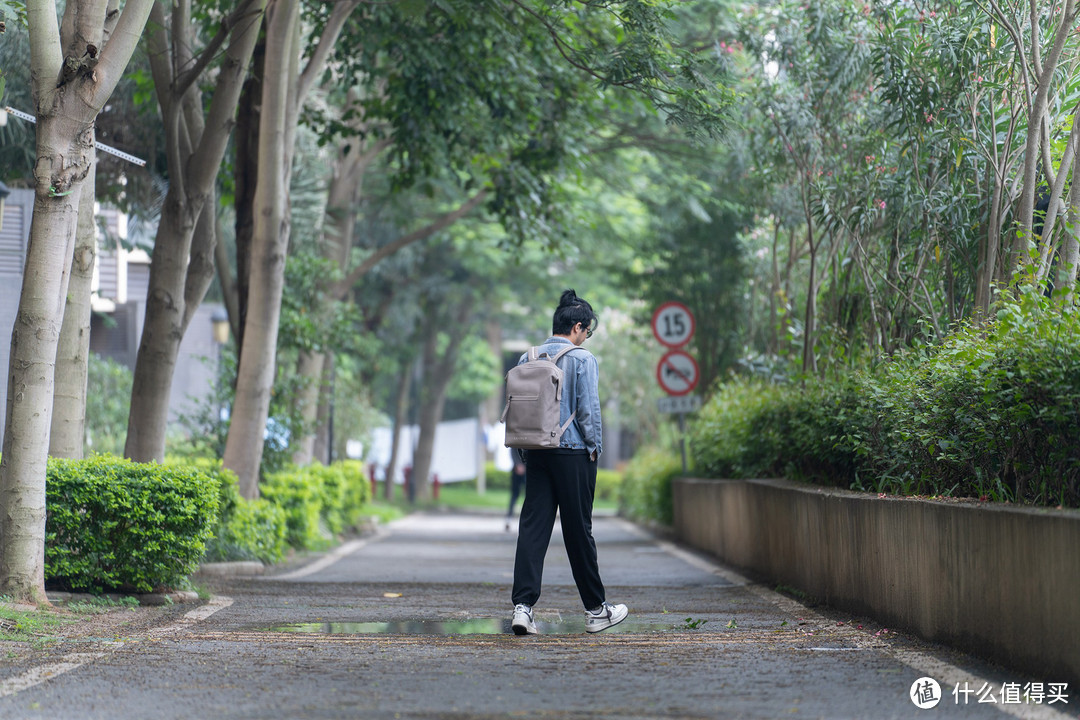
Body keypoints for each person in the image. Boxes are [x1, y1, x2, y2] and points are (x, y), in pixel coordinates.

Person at [509, 289, 628, 635]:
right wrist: (595, 448)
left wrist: (525, 452)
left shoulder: (526, 358)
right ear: (577, 327)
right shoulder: (581, 359)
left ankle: (523, 607)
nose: (586, 337)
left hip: (535, 452)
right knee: (579, 531)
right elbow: (588, 411)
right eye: (587, 331)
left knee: (533, 528)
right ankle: (596, 610)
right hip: (573, 452)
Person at [505, 460, 526, 532]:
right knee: (514, 495)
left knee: (529, 496)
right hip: (517, 468)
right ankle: (509, 518)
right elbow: (513, 450)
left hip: (527, 468)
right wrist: (518, 464)